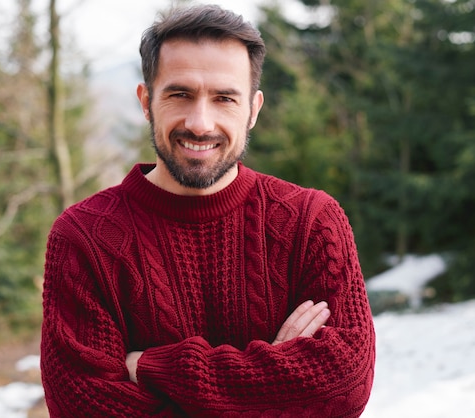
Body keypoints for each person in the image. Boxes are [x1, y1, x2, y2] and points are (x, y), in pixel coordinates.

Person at [40, 4, 375, 417]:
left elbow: (343, 386)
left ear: (253, 109)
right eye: (180, 94)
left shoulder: (312, 221)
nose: (200, 123)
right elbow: (83, 408)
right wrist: (274, 383)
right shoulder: (84, 237)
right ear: (146, 102)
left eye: (224, 98)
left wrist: (150, 367)